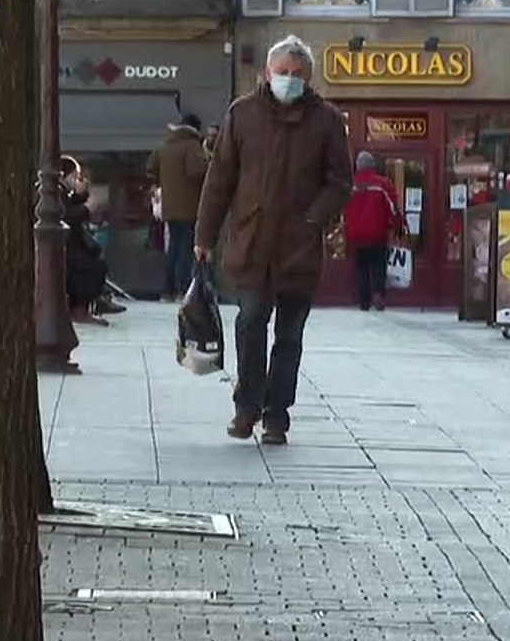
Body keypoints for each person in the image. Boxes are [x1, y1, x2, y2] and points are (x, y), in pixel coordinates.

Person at [194, 35, 353, 445]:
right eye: (282, 73)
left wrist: (313, 217)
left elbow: (340, 181)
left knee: (289, 335)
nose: (288, 80)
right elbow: (220, 179)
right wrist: (204, 236)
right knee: (249, 324)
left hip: (299, 249)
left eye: (297, 74)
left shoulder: (327, 120)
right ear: (267, 73)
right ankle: (246, 407)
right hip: (251, 242)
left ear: (310, 77)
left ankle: (277, 413)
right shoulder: (242, 114)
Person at [147, 113, 209, 301]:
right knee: (186, 246)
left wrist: (161, 184)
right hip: (189, 205)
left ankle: (168, 288)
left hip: (169, 206)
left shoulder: (164, 146)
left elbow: (150, 169)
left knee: (173, 246)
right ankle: (183, 287)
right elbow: (196, 172)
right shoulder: (192, 146)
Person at [344, 150, 405, 311]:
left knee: (361, 268)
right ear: (373, 166)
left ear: (357, 166)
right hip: (377, 233)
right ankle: (378, 293)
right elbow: (393, 208)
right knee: (379, 265)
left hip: (356, 235)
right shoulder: (382, 184)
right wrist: (399, 226)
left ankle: (364, 301)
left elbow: (342, 208)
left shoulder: (351, 185)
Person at [61, 157, 112, 326]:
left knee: (95, 260)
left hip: (72, 244)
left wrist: (82, 194)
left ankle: (96, 300)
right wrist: (86, 208)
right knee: (87, 267)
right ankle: (79, 308)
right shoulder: (55, 192)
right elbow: (66, 215)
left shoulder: (63, 193)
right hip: (66, 247)